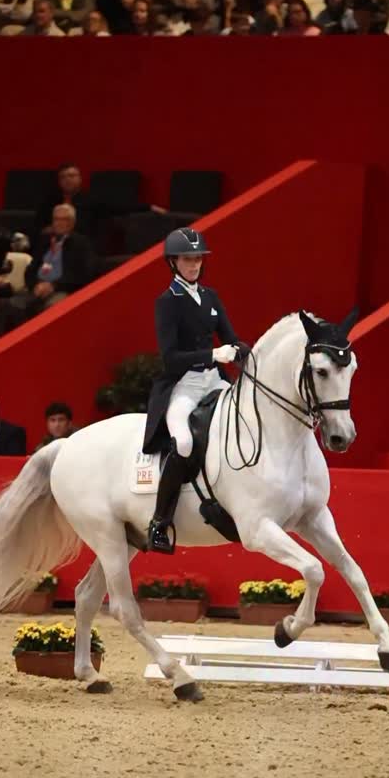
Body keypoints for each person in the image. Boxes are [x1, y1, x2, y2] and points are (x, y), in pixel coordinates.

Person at [142, 228, 248, 554]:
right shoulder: (167, 302)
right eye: (188, 259)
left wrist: (244, 350)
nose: (195, 264)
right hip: (184, 383)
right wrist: (213, 355)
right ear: (173, 262)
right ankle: (160, 522)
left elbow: (231, 337)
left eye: (198, 258)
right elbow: (170, 358)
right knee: (185, 442)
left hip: (214, 380)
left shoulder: (211, 297)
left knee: (243, 421)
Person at [19, 204, 95, 315]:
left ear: (72, 222)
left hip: (62, 289)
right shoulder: (45, 240)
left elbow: (83, 274)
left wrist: (54, 285)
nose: (58, 223)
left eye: (63, 219)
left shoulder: (81, 243)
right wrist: (35, 285)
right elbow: (31, 269)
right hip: (38, 287)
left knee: (53, 307)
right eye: (56, 219)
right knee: (12, 304)